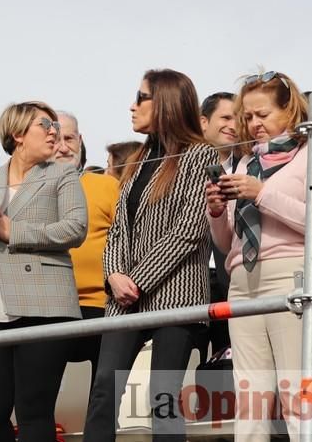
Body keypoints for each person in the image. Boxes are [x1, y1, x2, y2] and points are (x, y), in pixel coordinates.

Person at [206, 71, 312, 441]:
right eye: (247, 117)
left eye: (262, 114)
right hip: (242, 282)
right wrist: (217, 211)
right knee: (249, 404)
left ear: (290, 110)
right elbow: (226, 243)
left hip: (296, 275)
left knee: (297, 396)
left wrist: (261, 193)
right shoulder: (243, 162)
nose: (254, 124)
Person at [84, 69, 216, 442]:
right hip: (123, 300)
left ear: (167, 103)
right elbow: (117, 230)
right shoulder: (140, 158)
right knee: (103, 395)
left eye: (141, 97)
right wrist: (113, 276)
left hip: (177, 296)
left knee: (163, 398)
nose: (132, 105)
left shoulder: (200, 155)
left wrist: (136, 280)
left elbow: (191, 230)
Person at [0, 101, 87, 442]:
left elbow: (76, 228)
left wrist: (15, 232)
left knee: (34, 411)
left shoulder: (62, 173)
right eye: (46, 124)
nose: (55, 131)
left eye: (56, 125)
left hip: (46, 306)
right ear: (18, 134)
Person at [53, 110, 120, 386]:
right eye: (55, 139)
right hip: (49, 311)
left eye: (69, 138)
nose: (63, 147)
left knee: (103, 396)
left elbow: (126, 240)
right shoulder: (28, 193)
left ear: (80, 141)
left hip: (102, 307)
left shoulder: (107, 186)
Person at [199, 92, 238, 355]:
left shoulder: (249, 167)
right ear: (203, 122)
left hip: (231, 279)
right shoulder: (176, 167)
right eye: (225, 117)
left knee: (228, 357)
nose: (233, 125)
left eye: (238, 118)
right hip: (192, 277)